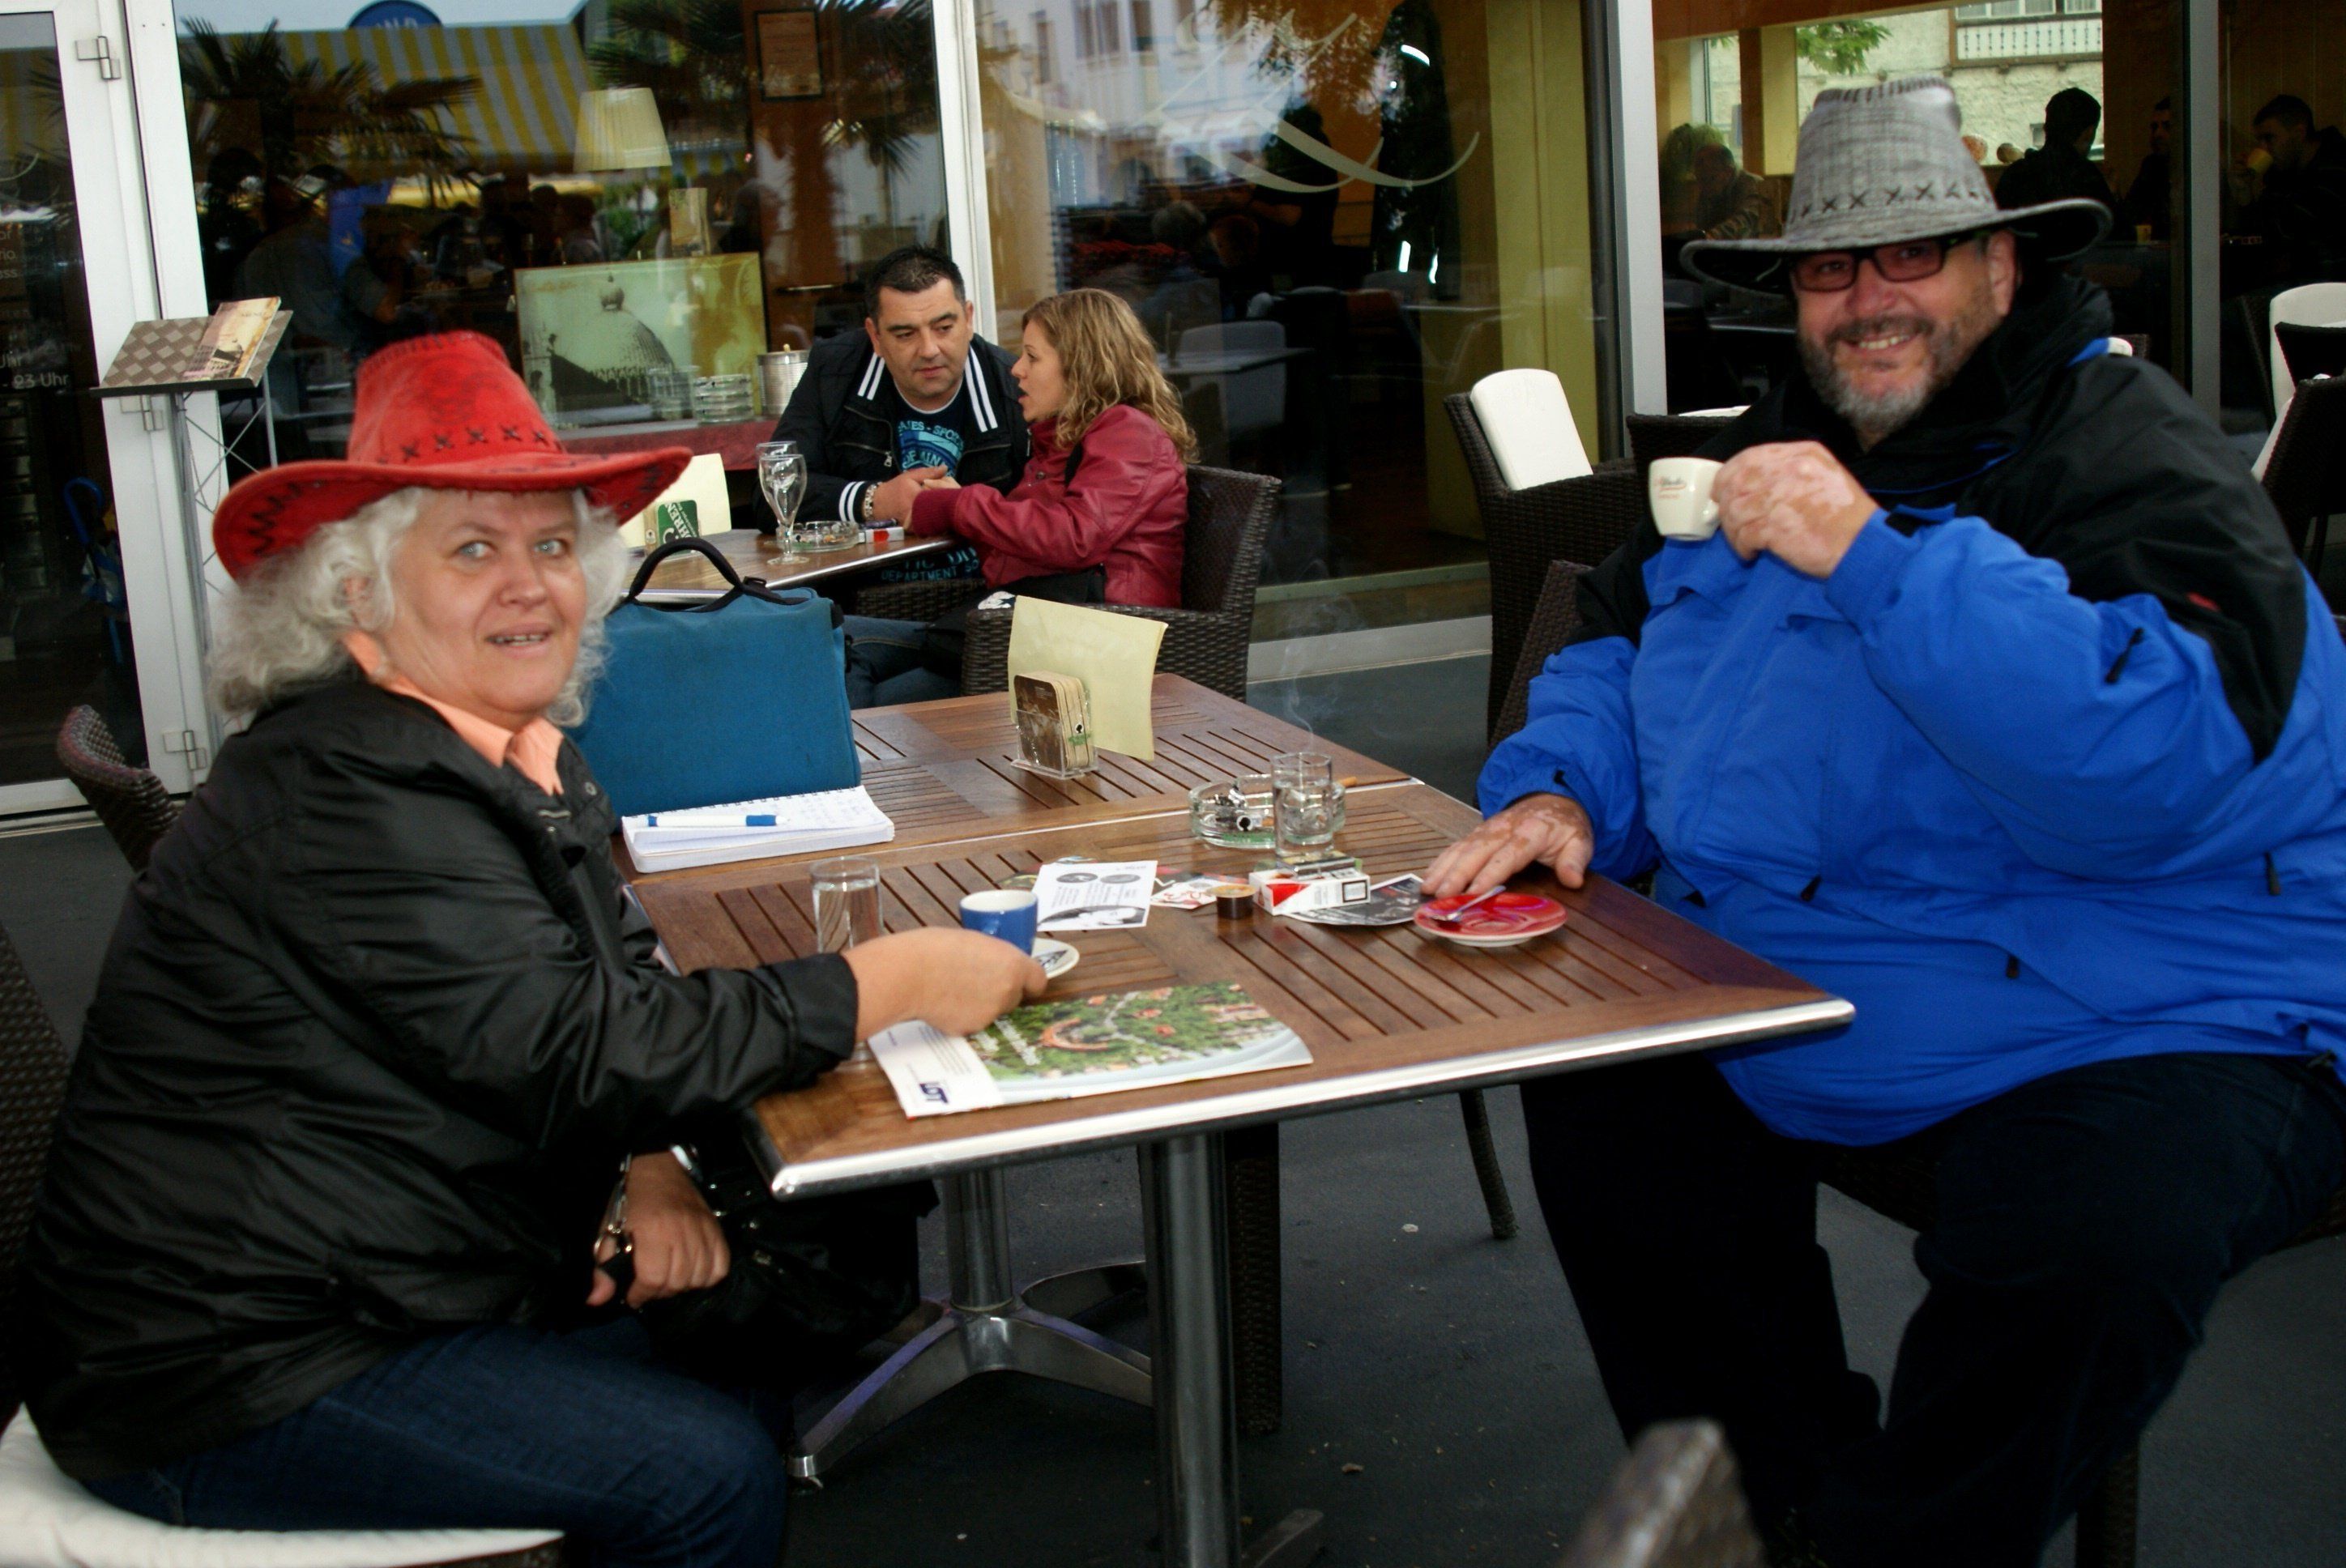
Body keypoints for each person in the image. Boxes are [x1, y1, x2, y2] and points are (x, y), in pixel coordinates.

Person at [1426, 77, 2346, 1568]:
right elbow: (1615, 637)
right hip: (1853, 961)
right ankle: (1778, 1507)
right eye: (1829, 268)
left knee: (2094, 1237)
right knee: (1605, 1090)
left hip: (2167, 998)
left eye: (1911, 254)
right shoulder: (1779, 445)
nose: (1868, 299)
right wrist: (1562, 789)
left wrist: (1873, 559)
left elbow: (2161, 772)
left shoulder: (2125, 451)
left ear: (2003, 266)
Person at [15, 331, 1047, 1566]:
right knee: (704, 1476)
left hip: (382, 1268)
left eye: (554, 547)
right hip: (216, 1366)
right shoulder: (347, 787)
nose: (529, 585)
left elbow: (580, 999)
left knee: (739, 1353)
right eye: (471, 551)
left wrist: (646, 1170)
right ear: (356, 596)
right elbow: (581, 1050)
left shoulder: (490, 748)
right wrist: (894, 979)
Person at [840, 288, 1196, 708]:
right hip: (1035, 631)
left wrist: (957, 506)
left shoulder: (1127, 432)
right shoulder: (1062, 441)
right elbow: (1023, 555)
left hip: (1097, 647)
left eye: (1032, 357)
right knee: (835, 638)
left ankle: (860, 749)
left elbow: (1075, 536)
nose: (1017, 370)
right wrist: (956, 507)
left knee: (871, 698)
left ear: (1080, 365)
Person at [769, 245, 1030, 533]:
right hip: (868, 563)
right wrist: (873, 500)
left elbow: (1050, 520)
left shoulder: (1016, 386)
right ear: (875, 336)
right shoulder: (834, 373)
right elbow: (774, 494)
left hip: (982, 563)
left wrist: (967, 508)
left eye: (943, 328)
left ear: (968, 320)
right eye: (906, 335)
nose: (929, 350)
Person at [2236, 93, 2346, 284]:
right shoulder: (2283, 173)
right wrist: (2244, 193)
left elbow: (2287, 234)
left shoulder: (2336, 169)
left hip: (2329, 287)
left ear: (2299, 133)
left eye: (2269, 138)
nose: (2263, 149)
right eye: (2259, 141)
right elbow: (2258, 236)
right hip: (2300, 281)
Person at [1993, 85, 2117, 213]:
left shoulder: (2014, 175)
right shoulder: (2087, 177)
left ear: (2046, 128)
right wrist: (2112, 193)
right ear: (2089, 133)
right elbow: (2116, 224)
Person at [2119, 95, 2173, 240]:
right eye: (2154, 127)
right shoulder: (2152, 166)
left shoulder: (2200, 169)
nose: (2158, 134)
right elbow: (2131, 215)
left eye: (2167, 126)